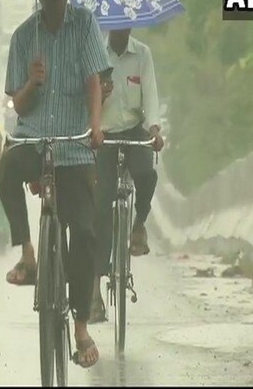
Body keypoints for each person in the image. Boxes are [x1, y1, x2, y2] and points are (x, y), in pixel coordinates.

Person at [0, 0, 110, 368]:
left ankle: (79, 326)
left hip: (74, 149)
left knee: (85, 232)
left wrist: (95, 122)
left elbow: (94, 81)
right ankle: (28, 253)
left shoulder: (85, 25)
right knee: (6, 169)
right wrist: (31, 83)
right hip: (34, 139)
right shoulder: (24, 36)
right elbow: (17, 104)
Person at [89, 28, 165, 323]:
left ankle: (139, 225)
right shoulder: (96, 54)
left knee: (147, 174)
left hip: (134, 130)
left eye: (128, 25)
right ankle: (95, 290)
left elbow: (152, 96)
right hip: (103, 134)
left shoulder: (142, 54)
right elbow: (89, 96)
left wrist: (155, 128)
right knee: (101, 207)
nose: (123, 31)